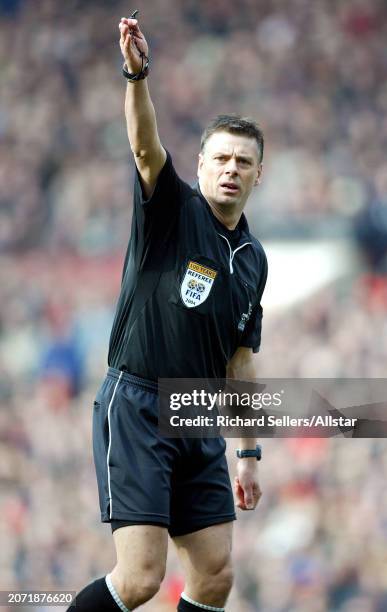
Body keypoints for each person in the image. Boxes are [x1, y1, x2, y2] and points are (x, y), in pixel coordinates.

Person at [69, 12, 268, 612]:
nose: (231, 169)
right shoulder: (171, 209)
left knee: (214, 575)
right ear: (202, 166)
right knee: (140, 579)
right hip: (138, 401)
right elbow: (144, 145)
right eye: (221, 159)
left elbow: (240, 361)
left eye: (243, 162)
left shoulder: (254, 258)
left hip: (197, 412)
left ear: (260, 175)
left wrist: (250, 452)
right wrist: (137, 74)